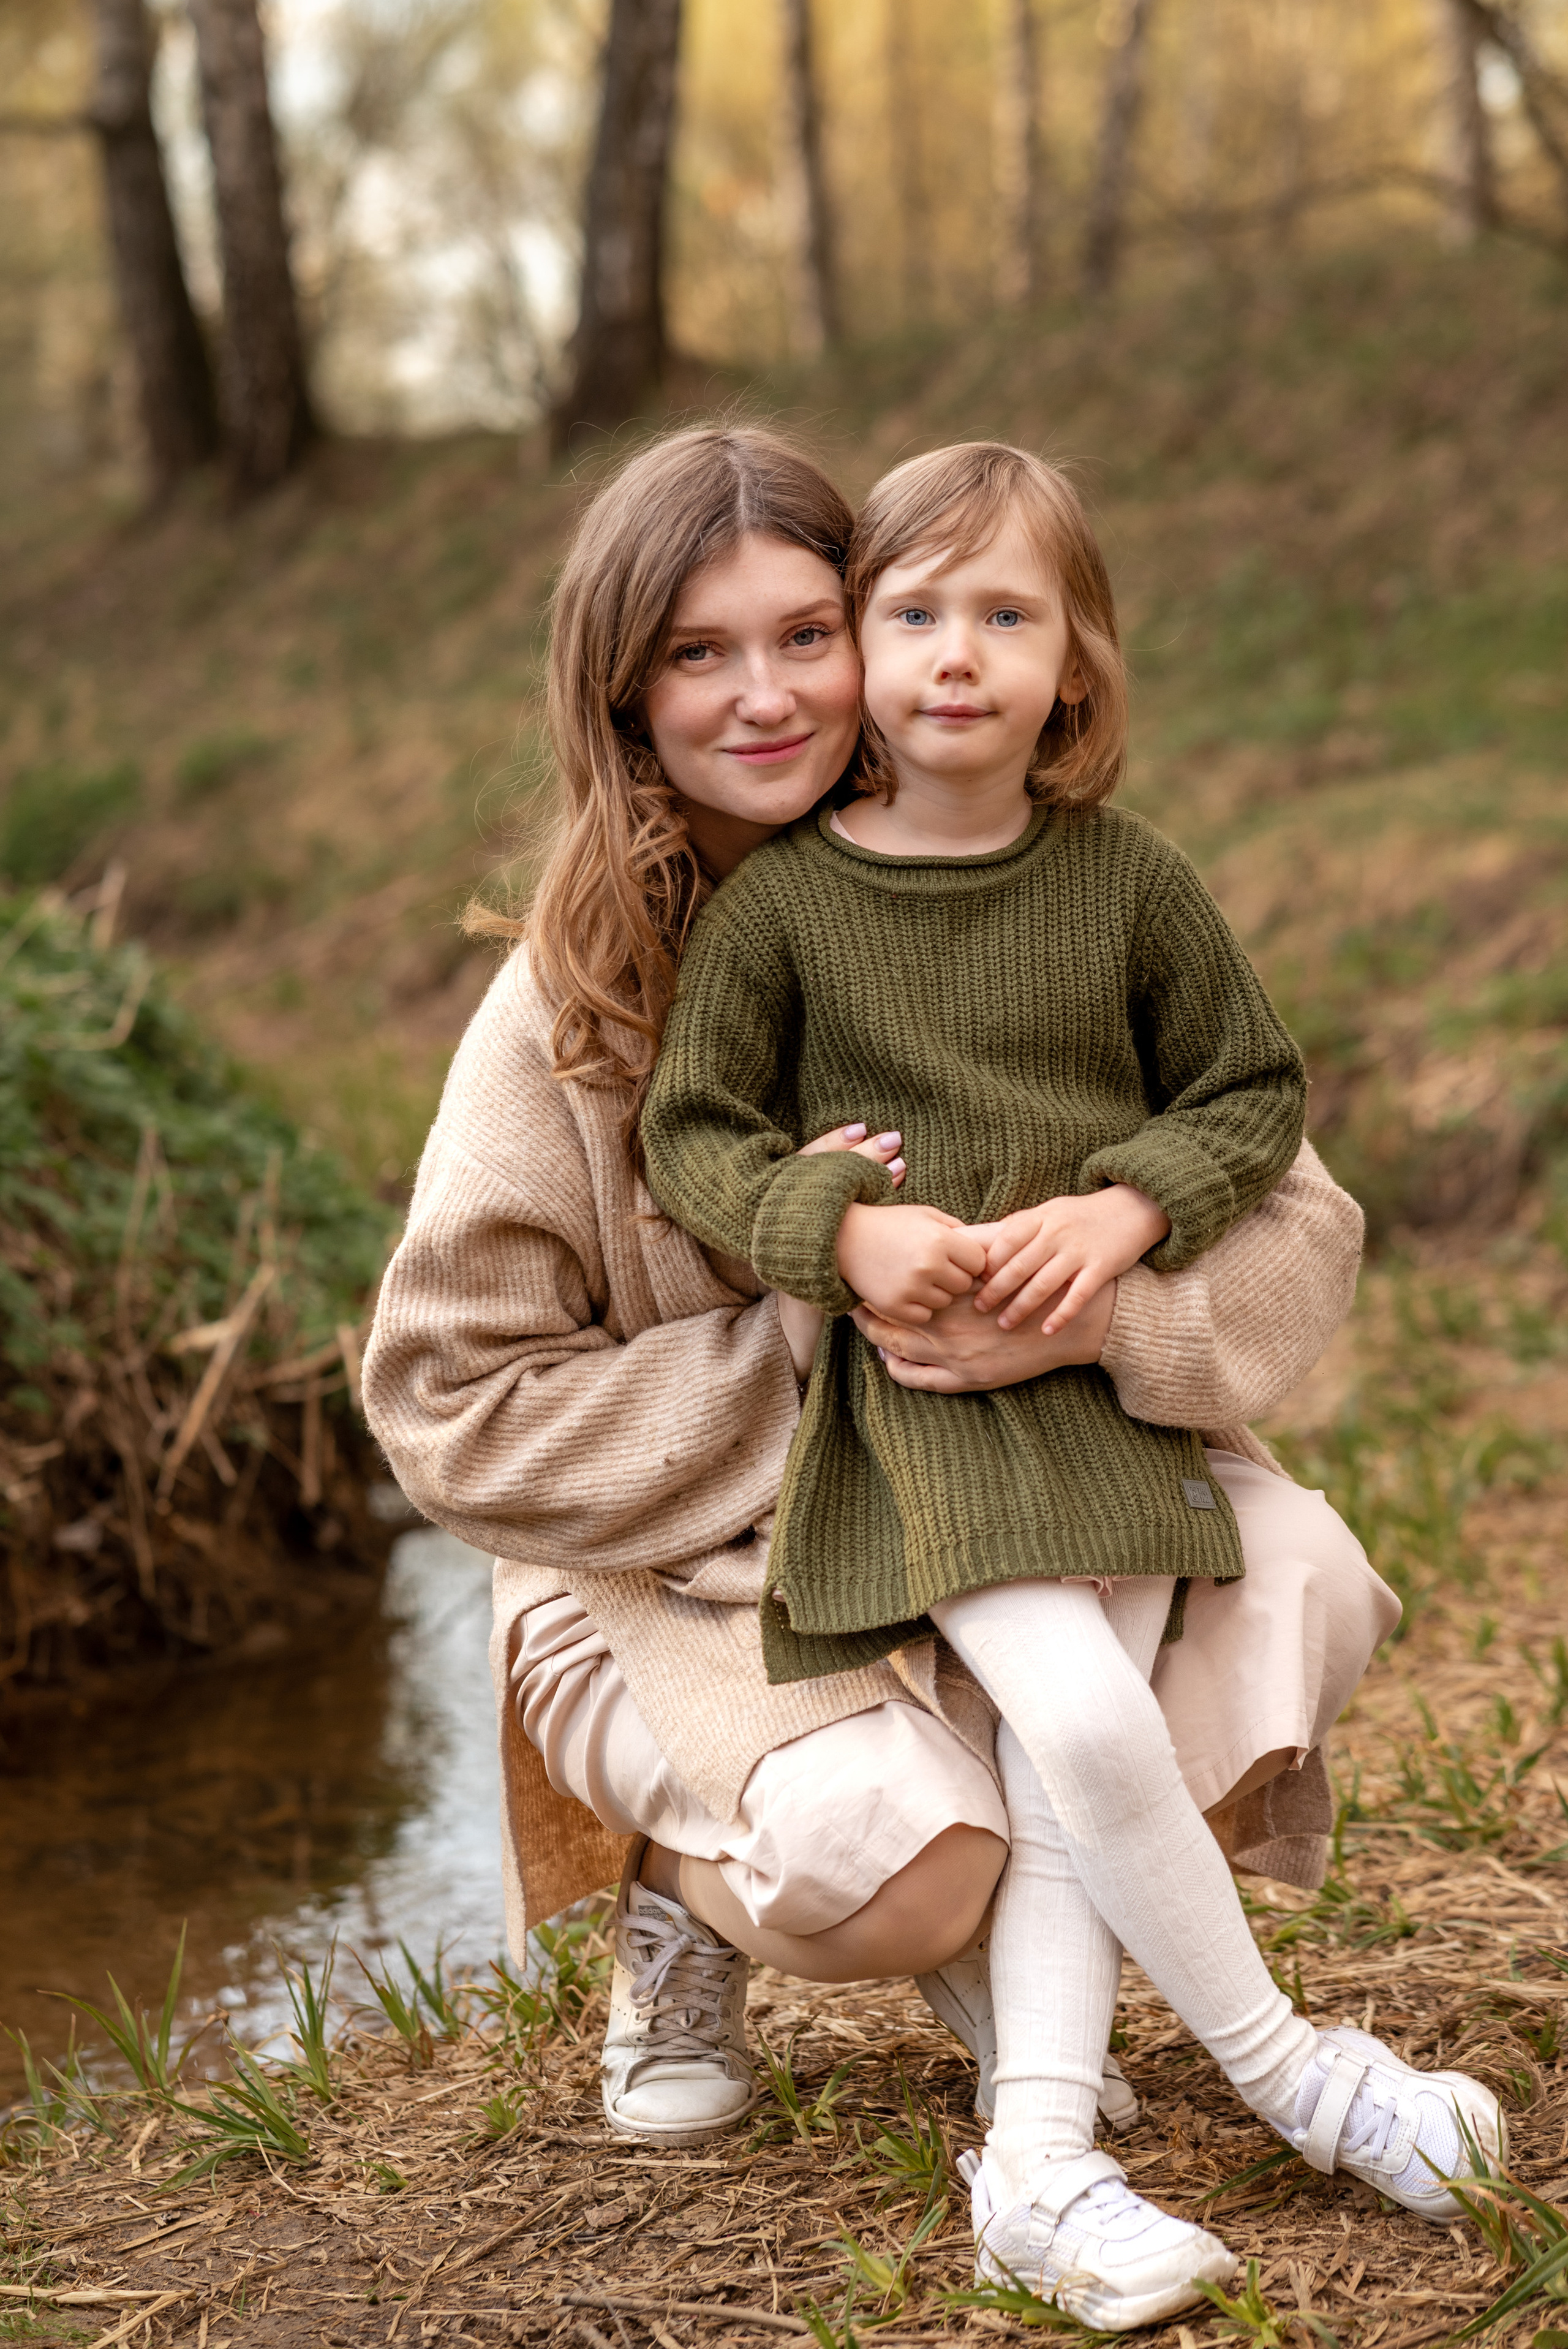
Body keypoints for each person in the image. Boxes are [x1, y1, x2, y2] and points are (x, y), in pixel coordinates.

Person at [361, 423, 1397, 2260]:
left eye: (805, 630)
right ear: (621, 695)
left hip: (1028, 1460)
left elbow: (1296, 1197)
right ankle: (682, 1893)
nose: (764, 695)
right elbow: (444, 1406)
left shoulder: (1055, 877)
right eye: (696, 651)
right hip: (692, 1560)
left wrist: (1089, 1311)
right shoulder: (567, 1005)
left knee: (1296, 1582)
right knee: (894, 1871)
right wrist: (812, 1332)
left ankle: (1046, 2012)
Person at [636, 441, 1502, 2324]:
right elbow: (693, 1133)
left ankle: (1034, 2162)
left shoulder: (1130, 883)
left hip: (1100, 1405)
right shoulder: (782, 909)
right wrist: (833, 1230)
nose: (957, 654)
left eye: (1005, 614)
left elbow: (1253, 1097)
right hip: (924, 1415)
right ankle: (1295, 2074)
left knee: (1055, 1772)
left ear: (1075, 667)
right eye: (914, 613)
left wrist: (1124, 1212)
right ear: (861, 653)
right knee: (1095, 1733)